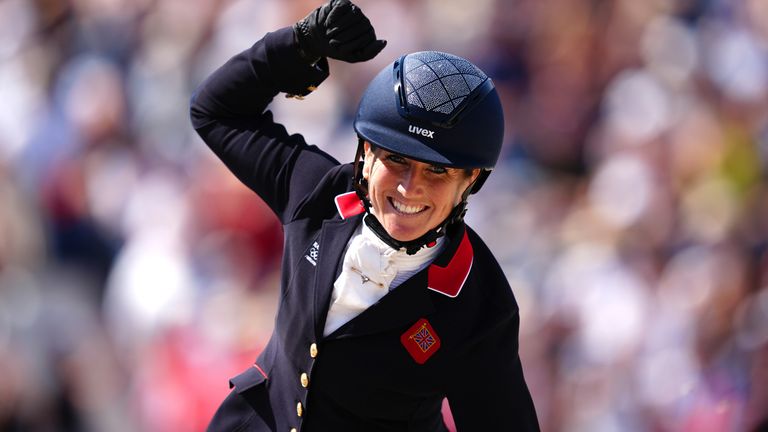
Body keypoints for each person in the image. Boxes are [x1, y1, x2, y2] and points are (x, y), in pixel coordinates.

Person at [190, 0, 540, 430]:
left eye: (437, 171)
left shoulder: (481, 304)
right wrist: (300, 44)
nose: (410, 189)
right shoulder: (318, 193)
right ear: (366, 154)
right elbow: (216, 112)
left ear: (470, 181)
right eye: (396, 160)